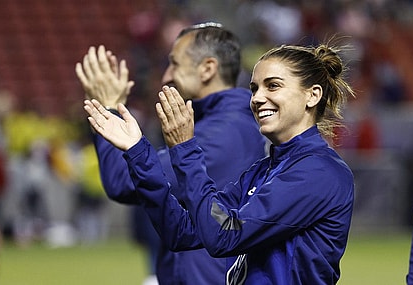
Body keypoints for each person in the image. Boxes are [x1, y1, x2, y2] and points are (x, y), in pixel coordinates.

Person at [84, 41, 356, 284]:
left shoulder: (318, 171)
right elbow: (182, 232)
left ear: (313, 95)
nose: (258, 98)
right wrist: (137, 152)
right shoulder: (263, 171)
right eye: (254, 88)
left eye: (273, 85)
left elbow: (225, 235)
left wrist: (185, 149)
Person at [76, 23, 266, 284]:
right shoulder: (220, 125)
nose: (166, 76)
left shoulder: (225, 133)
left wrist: (108, 109)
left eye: (174, 64)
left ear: (208, 68)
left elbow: (122, 182)